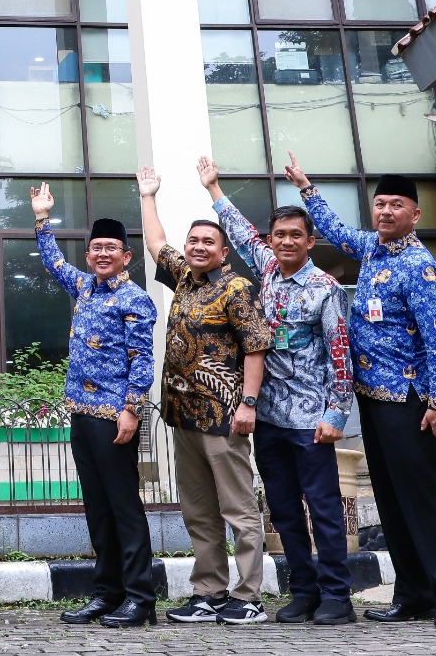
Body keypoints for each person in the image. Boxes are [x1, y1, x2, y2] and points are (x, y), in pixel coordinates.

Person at [283, 153, 436, 629]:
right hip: (373, 402)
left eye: (396, 205)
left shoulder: (419, 265)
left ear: (415, 214)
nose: (386, 211)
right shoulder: (372, 248)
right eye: (380, 203)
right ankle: (413, 596)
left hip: (412, 404)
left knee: (426, 501)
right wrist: (307, 188)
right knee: (391, 502)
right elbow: (336, 231)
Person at [197, 155, 356, 625]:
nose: (285, 242)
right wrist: (214, 189)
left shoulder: (325, 289)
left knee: (323, 509)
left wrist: (336, 414)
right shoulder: (266, 269)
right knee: (283, 510)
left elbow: (341, 357)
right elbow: (241, 232)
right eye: (279, 235)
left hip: (311, 421)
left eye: (295, 235)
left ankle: (337, 596)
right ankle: (303, 591)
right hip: (267, 417)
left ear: (310, 241)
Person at [137, 167, 272, 626]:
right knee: (198, 512)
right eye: (193, 240)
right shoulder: (185, 279)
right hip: (183, 417)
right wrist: (147, 195)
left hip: (224, 417)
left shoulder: (236, 289)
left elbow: (256, 347)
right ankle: (209, 592)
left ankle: (247, 595)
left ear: (223, 250)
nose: (197, 247)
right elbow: (156, 244)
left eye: (207, 242)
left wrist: (249, 404)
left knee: (238, 509)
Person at [30, 184, 159, 629]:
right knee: (97, 509)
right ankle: (107, 593)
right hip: (81, 414)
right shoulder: (85, 287)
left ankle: (141, 599)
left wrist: (132, 409)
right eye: (96, 248)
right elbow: (52, 263)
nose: (103, 254)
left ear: (127, 256)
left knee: (124, 507)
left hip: (114, 418)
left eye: (112, 249)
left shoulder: (134, 298)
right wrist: (43, 220)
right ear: (88, 255)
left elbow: (143, 358)